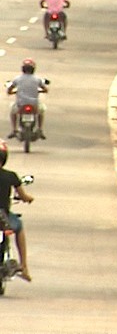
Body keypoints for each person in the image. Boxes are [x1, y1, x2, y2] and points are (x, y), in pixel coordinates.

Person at [0, 140, 34, 281]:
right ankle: (24, 266)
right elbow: (23, 196)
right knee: (18, 227)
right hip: (4, 218)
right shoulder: (11, 176)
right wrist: (28, 199)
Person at [7, 58, 49, 140]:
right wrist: (41, 91)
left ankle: (14, 129)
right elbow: (45, 89)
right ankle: (40, 129)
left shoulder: (17, 79)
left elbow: (10, 89)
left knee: (13, 111)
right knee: (41, 111)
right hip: (34, 104)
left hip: (20, 104)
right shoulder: (37, 79)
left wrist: (11, 92)